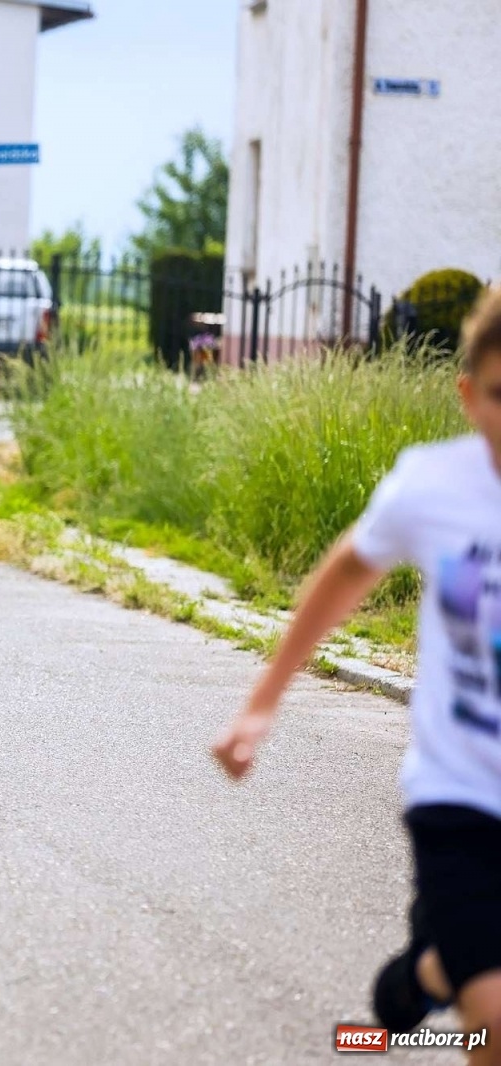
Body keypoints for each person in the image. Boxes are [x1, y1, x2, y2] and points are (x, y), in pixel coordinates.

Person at [213, 286, 501, 1062]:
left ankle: (432, 969)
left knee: (481, 990)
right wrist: (261, 706)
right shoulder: (433, 486)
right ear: (469, 396)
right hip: (461, 793)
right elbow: (343, 576)